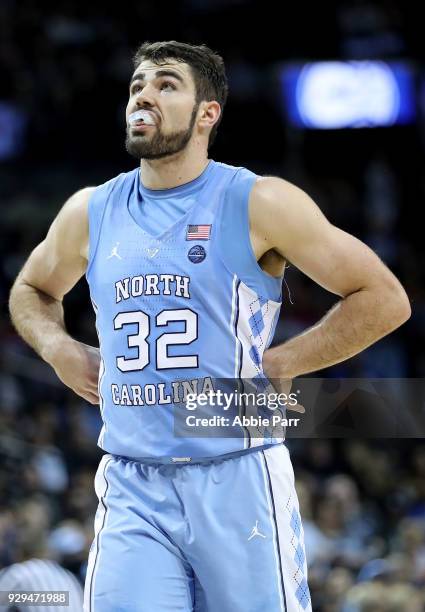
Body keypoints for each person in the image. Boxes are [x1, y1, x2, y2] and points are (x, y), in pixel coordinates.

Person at [8, 40, 411, 612]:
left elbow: (384, 297)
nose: (144, 94)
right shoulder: (90, 210)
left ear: (207, 114)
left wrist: (287, 361)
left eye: (166, 83)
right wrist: (56, 346)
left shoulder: (257, 201)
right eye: (137, 85)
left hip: (236, 475)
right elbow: (30, 289)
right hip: (131, 480)